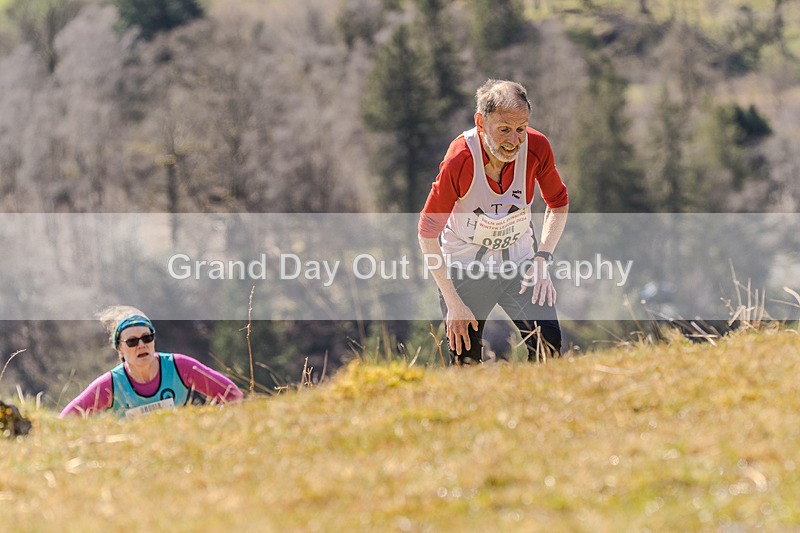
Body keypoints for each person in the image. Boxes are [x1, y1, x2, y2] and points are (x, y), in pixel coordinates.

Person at [418, 79, 569, 364]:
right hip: (465, 269)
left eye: (520, 129)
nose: (513, 141)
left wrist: (542, 258)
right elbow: (427, 233)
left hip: (520, 262)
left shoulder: (536, 147)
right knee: (466, 361)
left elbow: (558, 204)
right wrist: (452, 302)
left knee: (549, 346)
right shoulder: (459, 159)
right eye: (504, 130)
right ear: (481, 122)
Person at [60, 306, 243, 418]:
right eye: (132, 342)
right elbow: (67, 419)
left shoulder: (180, 367)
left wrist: (212, 427)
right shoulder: (111, 384)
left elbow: (233, 395)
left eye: (147, 338)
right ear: (120, 350)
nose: (141, 345)